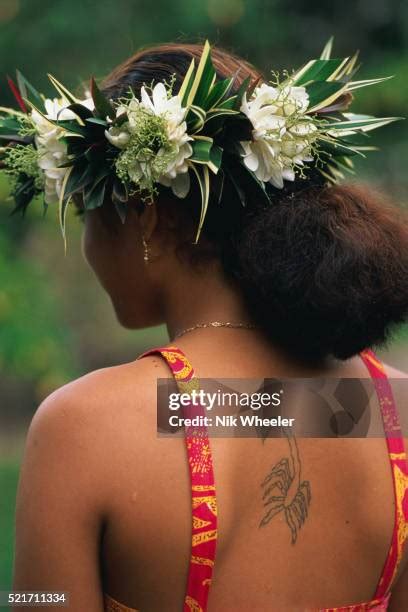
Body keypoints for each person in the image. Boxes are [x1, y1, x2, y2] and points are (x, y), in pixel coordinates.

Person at [11, 42, 408, 611]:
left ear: (146, 217)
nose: (90, 248)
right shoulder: (393, 412)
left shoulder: (84, 429)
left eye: (87, 215)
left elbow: (37, 602)